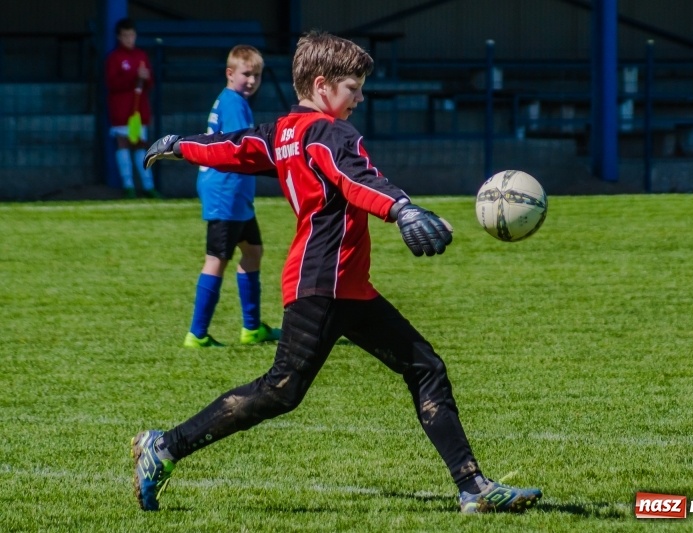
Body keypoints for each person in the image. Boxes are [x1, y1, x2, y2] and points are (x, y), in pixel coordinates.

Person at [134, 30, 542, 514]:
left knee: (424, 366)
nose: (360, 98)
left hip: (345, 286)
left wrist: (183, 145)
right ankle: (164, 447)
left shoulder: (285, 131)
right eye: (354, 88)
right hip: (322, 285)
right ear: (323, 85)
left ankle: (473, 487)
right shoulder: (330, 133)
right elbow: (356, 179)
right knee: (280, 390)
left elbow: (233, 146)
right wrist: (402, 210)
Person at [182, 44, 281, 349]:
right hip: (227, 191)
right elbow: (243, 145)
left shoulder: (229, 100)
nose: (252, 80)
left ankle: (251, 328)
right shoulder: (234, 103)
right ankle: (197, 334)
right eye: (246, 74)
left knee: (252, 251)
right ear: (230, 73)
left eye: (257, 75)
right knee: (216, 260)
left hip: (234, 193)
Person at [104, 17, 161, 199]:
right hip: (121, 110)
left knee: (140, 146)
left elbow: (149, 83)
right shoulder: (114, 58)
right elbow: (112, 83)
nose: (129, 39)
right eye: (125, 35)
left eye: (132, 35)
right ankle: (128, 185)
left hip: (138, 111)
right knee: (123, 144)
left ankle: (148, 186)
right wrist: (132, 77)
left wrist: (145, 78)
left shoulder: (141, 56)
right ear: (119, 37)